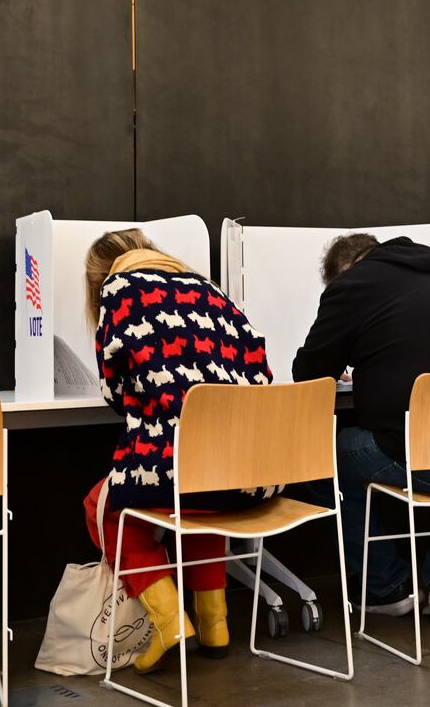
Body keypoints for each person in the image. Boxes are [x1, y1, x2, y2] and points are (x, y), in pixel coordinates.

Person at [293, 233, 430, 621]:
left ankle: (385, 586)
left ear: (345, 271)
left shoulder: (354, 284)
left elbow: (310, 374)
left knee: (327, 453)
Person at [84, 228, 276, 673]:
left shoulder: (120, 289)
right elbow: (261, 373)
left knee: (103, 507)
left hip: (175, 472)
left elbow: (115, 391)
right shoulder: (212, 290)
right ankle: (215, 624)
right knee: (202, 495)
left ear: (99, 278)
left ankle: (170, 623)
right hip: (244, 472)